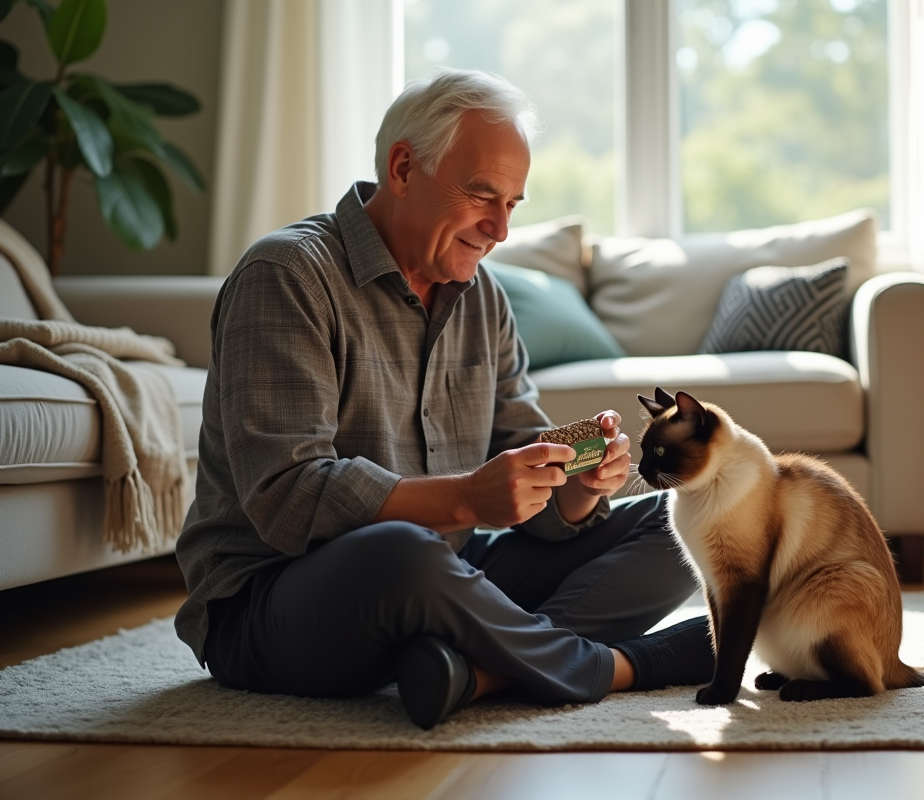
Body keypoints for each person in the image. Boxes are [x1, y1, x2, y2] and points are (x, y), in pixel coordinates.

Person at [173, 69, 714, 729]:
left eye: (512, 203)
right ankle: (623, 665)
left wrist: (575, 485)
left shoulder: (484, 296)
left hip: (441, 574)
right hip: (273, 599)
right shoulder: (286, 275)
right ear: (403, 168)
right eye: (482, 195)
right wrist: (466, 500)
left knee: (684, 513)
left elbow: (520, 469)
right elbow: (287, 494)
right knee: (403, 551)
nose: (500, 229)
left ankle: (476, 673)